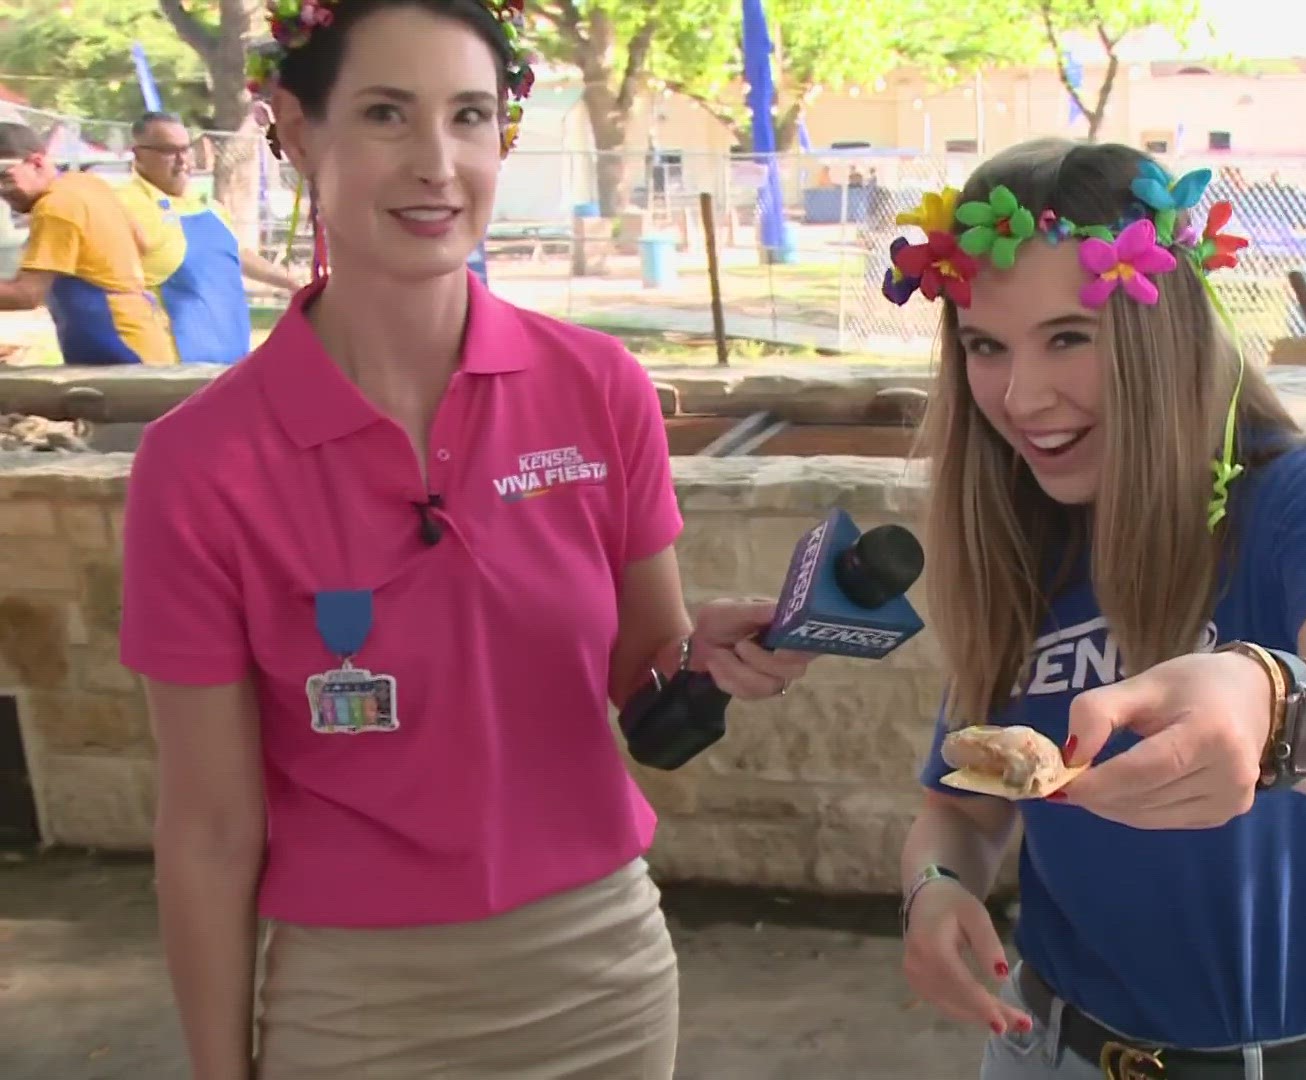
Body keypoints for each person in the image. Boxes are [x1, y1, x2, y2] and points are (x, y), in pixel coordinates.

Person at [116, 2, 813, 1078]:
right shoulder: (201, 463)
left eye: (470, 116)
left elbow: (643, 669)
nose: (436, 164)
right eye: (387, 114)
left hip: (601, 976)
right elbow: (209, 830)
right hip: (354, 1009)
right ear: (297, 132)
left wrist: (706, 650)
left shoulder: (599, 387)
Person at [886, 139, 1306, 1079]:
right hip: (1047, 1049)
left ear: (1167, 329)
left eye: (1069, 336)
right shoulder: (1024, 529)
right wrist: (933, 891)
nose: (1021, 398)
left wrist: (1268, 704)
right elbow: (964, 806)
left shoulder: (1305, 495)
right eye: (986, 346)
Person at [119, 111, 305, 365]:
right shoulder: (122, 205)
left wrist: (289, 281)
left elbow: (234, 253)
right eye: (168, 151)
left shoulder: (207, 205)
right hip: (170, 366)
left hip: (231, 356)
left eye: (186, 148)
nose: (183, 160)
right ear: (138, 154)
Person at [0, 121, 176, 365]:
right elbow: (141, 243)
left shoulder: (54, 208)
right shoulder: (86, 184)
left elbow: (26, 295)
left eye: (4, 177)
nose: (2, 190)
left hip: (119, 345)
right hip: (145, 337)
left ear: (37, 162)